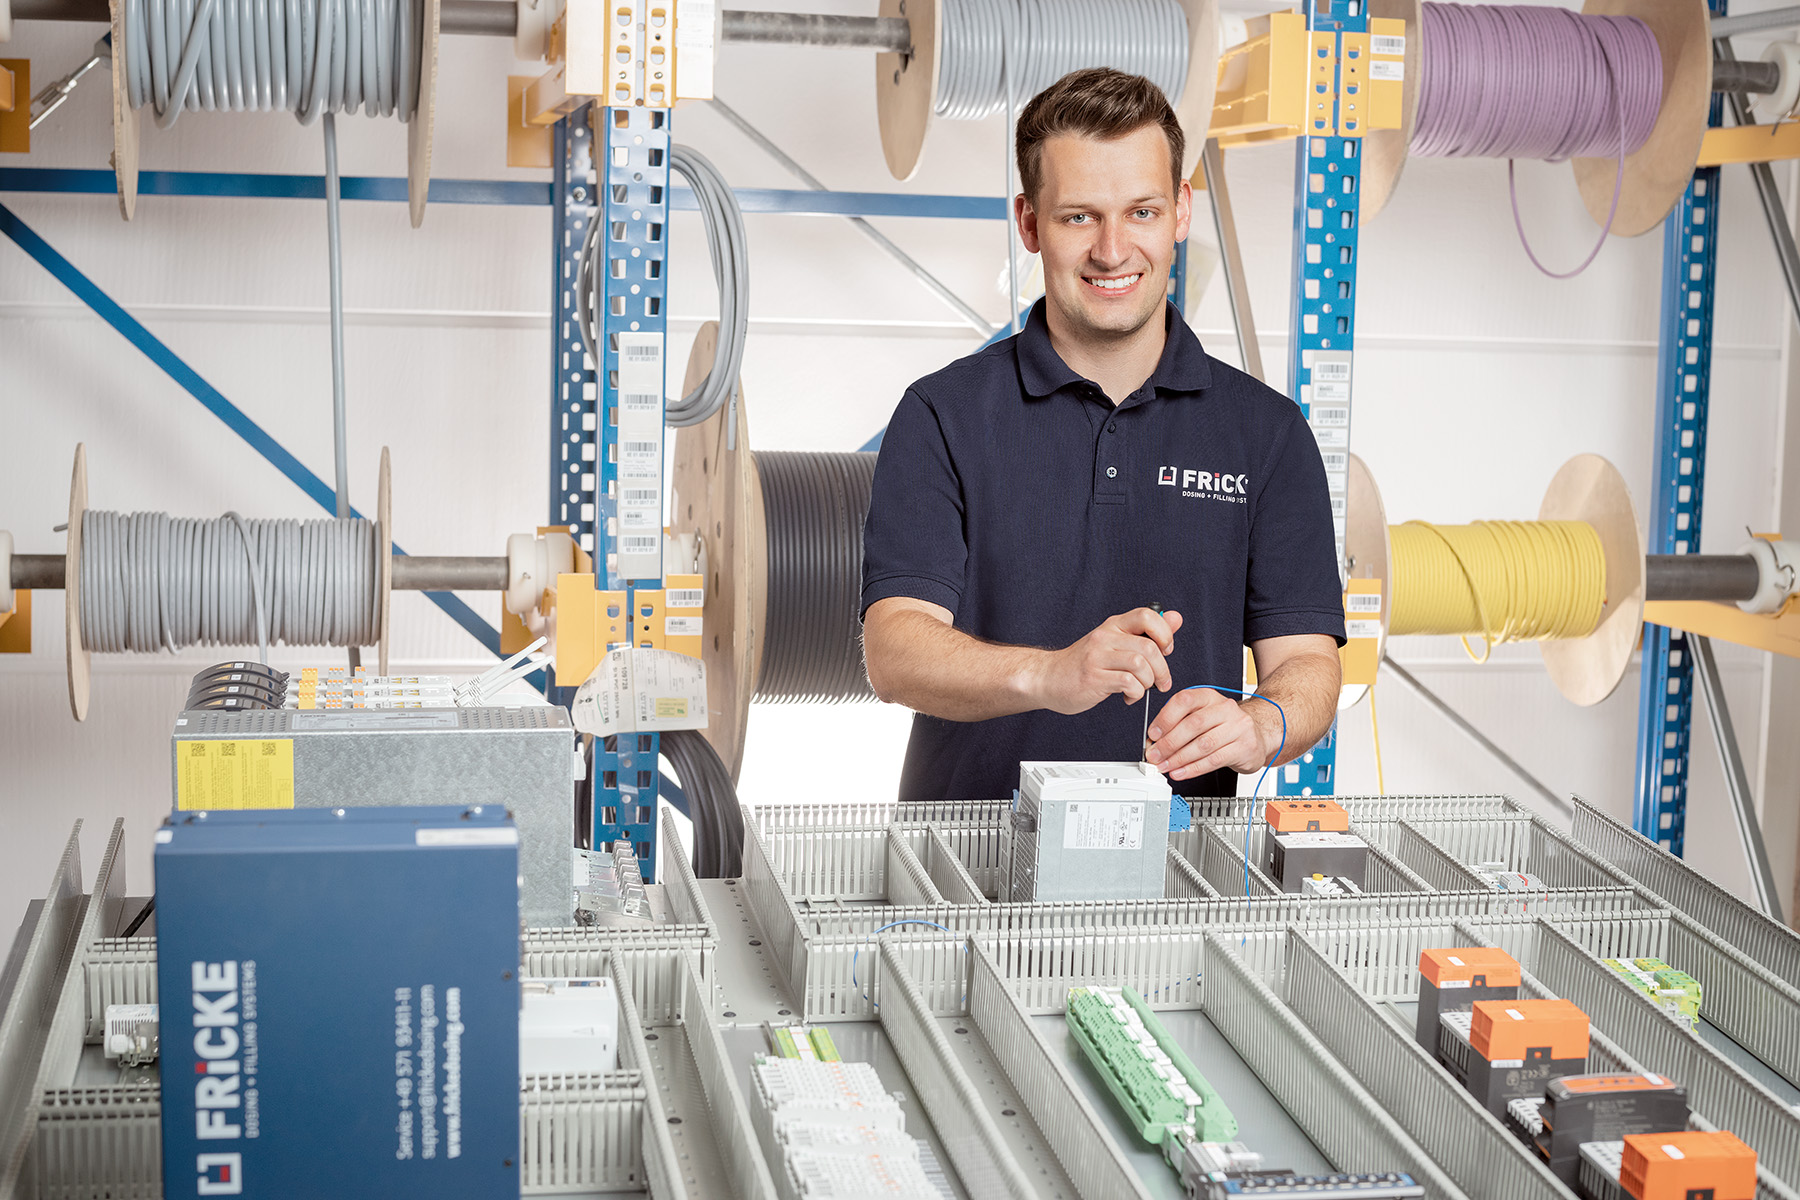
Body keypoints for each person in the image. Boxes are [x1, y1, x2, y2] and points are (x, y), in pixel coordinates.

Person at [858, 67, 1347, 803]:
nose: (1114, 251)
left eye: (1142, 212)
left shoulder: (1267, 434)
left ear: (1181, 210)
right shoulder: (942, 414)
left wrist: (1259, 724)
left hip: (1175, 883)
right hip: (964, 880)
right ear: (1030, 223)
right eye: (1079, 217)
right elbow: (893, 649)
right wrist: (1051, 675)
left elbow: (1309, 663)